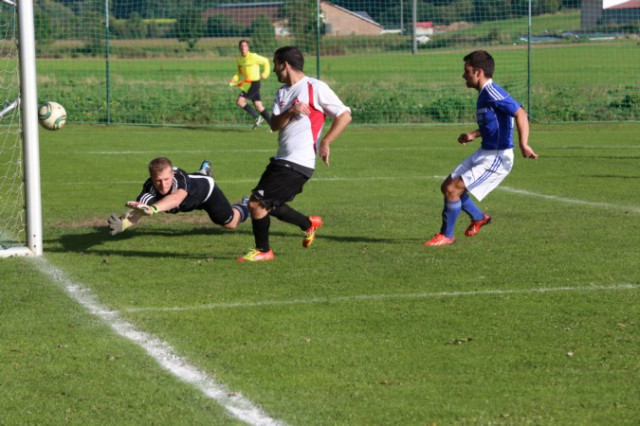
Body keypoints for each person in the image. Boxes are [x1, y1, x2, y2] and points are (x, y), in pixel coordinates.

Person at [237, 46, 352, 262]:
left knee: (256, 204)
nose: (273, 70)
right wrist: (291, 110)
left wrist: (326, 141)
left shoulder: (314, 87)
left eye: (275, 64)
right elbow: (274, 125)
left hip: (299, 162)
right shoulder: (282, 92)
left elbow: (344, 115)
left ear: (285, 64)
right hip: (282, 159)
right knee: (269, 204)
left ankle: (264, 251)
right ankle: (308, 224)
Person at [424, 50, 539, 246]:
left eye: (466, 70)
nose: (463, 75)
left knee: (453, 190)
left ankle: (447, 235)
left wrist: (523, 144)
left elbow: (520, 113)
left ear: (478, 71)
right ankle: (479, 217)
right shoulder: (484, 95)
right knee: (447, 187)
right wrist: (473, 135)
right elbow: (495, 123)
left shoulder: (493, 91)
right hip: (484, 151)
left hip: (497, 157)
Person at [107, 158, 249, 236]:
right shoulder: (148, 190)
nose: (163, 185)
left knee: (230, 223)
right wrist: (124, 224)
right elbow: (140, 210)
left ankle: (245, 205)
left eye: (166, 179)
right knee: (193, 180)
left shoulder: (179, 176)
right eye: (158, 181)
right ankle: (203, 171)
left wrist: (153, 208)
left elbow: (176, 199)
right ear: (151, 178)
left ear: (172, 175)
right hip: (192, 191)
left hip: (206, 192)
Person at [229, 39, 271, 130]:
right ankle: (273, 125)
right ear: (239, 48)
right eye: (241, 46)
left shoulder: (254, 56)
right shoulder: (239, 59)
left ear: (248, 47)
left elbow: (266, 61)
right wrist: (234, 78)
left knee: (240, 101)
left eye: (245, 46)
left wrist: (265, 74)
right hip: (247, 83)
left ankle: (257, 117)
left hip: (255, 83)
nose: (243, 48)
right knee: (259, 106)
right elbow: (239, 72)